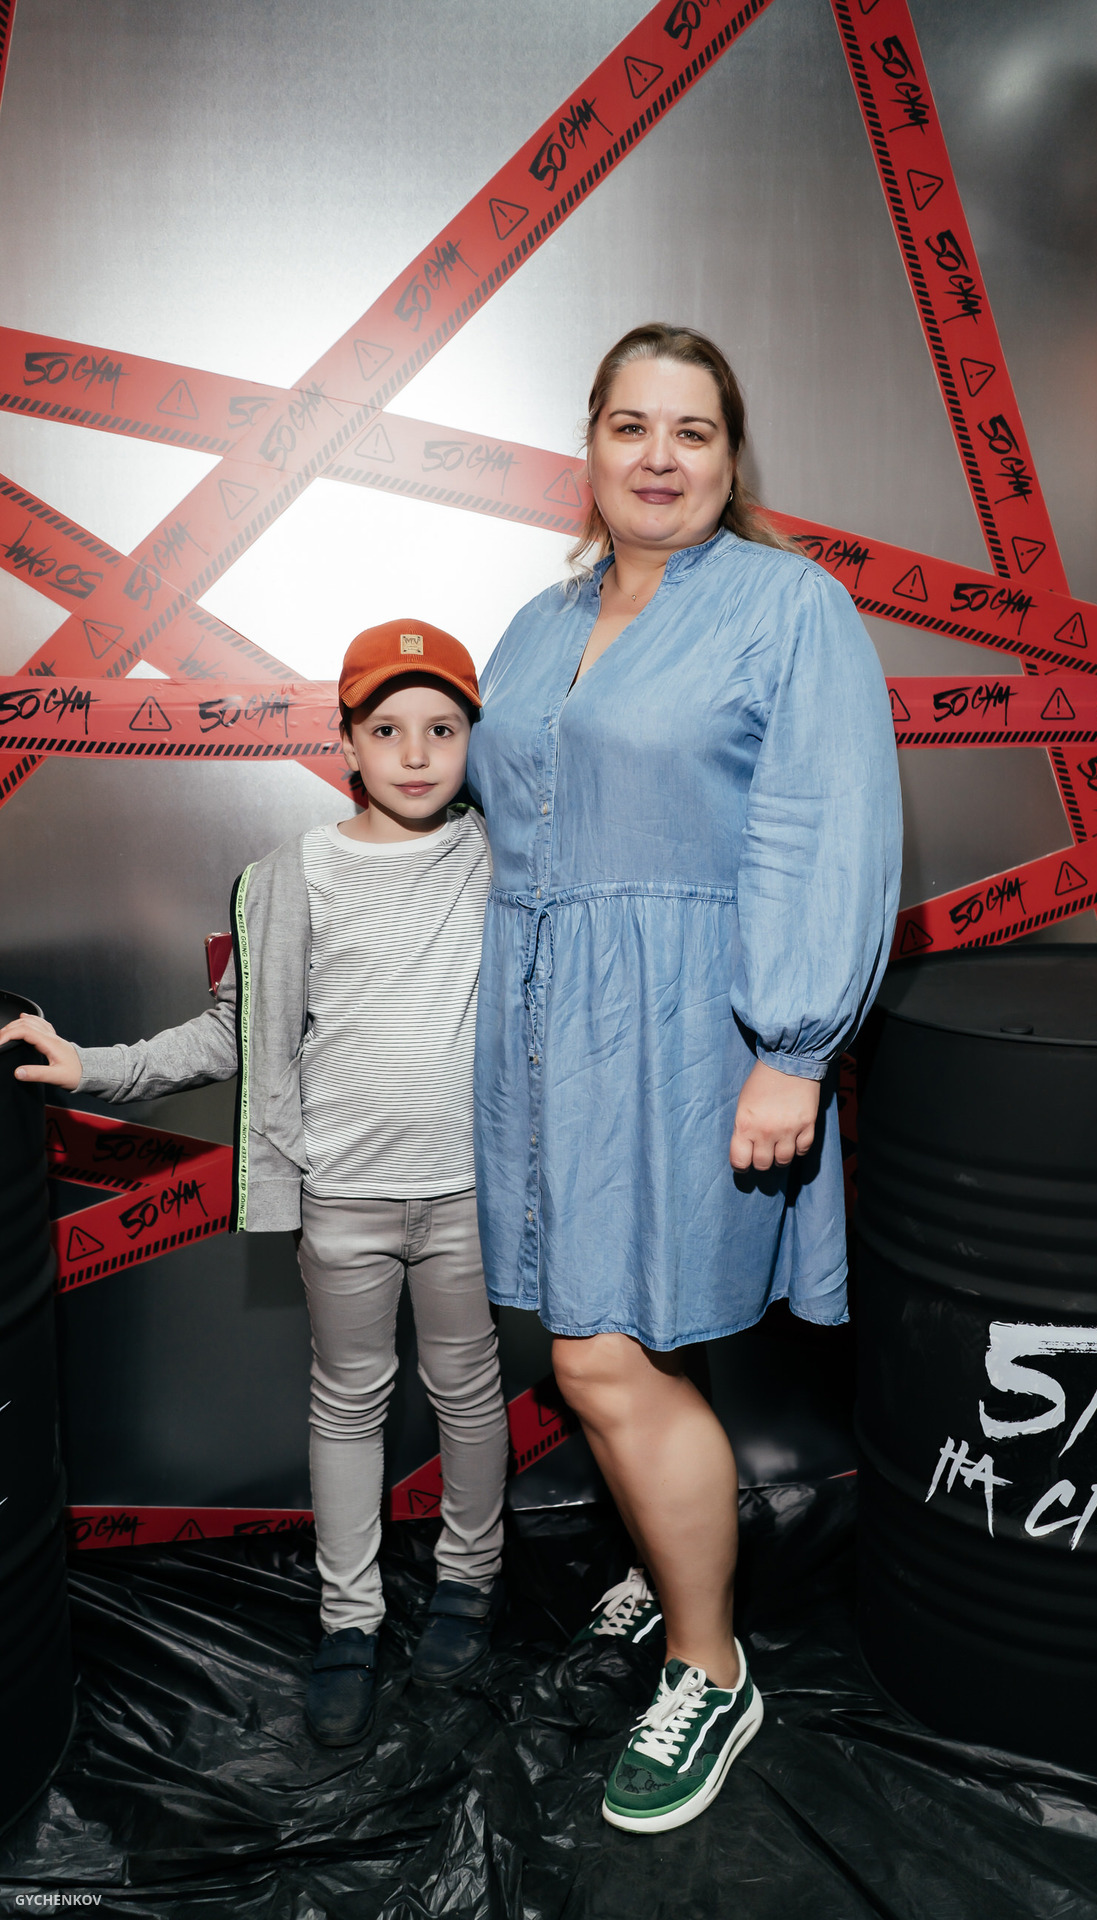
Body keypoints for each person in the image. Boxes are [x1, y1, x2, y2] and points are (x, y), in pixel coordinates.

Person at [467, 323, 902, 1832]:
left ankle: (710, 1668)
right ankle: (671, 1565)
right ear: (588, 444)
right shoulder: (539, 621)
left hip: (693, 1027)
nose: (659, 458)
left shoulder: (790, 605)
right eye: (631, 426)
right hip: (545, 1029)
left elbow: (825, 823)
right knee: (626, 1329)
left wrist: (793, 1049)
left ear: (730, 455)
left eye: (692, 432)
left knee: (595, 1354)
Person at [1, 620, 509, 1748]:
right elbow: (232, 1030)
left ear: (475, 742)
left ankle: (470, 1586)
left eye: (442, 729)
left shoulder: (501, 861)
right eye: (388, 728)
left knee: (469, 1392)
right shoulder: (290, 878)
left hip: (469, 1193)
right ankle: (348, 1621)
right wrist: (93, 1066)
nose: (416, 753)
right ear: (348, 743)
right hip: (342, 1199)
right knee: (348, 1401)